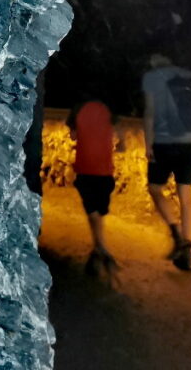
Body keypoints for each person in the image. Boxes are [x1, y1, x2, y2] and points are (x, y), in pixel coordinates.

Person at [142, 54, 191, 271]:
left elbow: (150, 112)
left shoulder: (151, 77)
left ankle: (176, 234)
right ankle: (188, 253)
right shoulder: (188, 75)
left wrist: (148, 143)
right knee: (186, 196)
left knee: (154, 188)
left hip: (165, 140)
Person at [67, 96, 120, 278]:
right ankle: (99, 250)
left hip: (85, 168)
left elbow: (73, 136)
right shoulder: (109, 108)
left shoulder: (78, 109)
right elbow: (119, 139)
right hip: (105, 171)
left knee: (93, 212)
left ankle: (100, 249)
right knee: (98, 212)